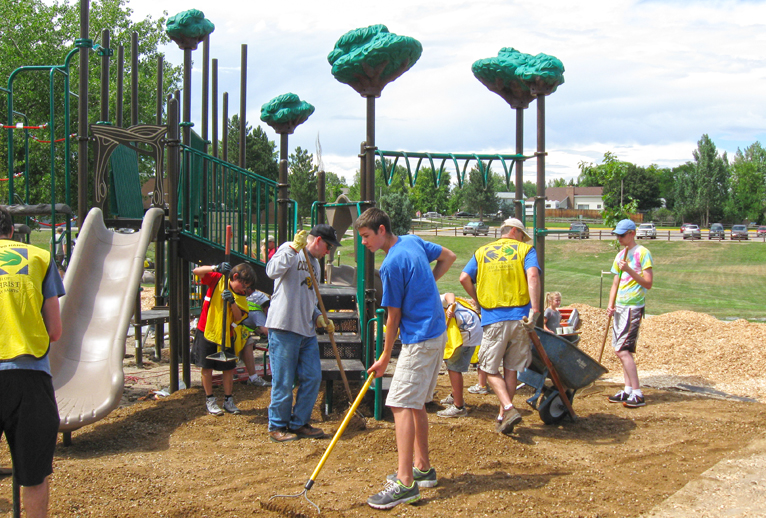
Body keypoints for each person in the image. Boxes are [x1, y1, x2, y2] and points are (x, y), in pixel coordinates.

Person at [356, 207, 456, 510]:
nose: (363, 243)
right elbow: (449, 257)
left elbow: (393, 316)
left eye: (366, 236)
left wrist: (385, 355)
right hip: (436, 332)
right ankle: (422, 469)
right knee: (414, 405)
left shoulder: (390, 264)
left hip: (420, 338)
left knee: (399, 402)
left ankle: (405, 484)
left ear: (382, 230)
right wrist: (426, 287)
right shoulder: (412, 241)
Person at [0, 206, 65, 518]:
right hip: (30, 374)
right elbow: (54, 331)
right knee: (33, 473)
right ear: (12, 231)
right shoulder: (39, 258)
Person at [459, 217, 541, 436]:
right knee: (511, 369)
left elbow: (464, 277)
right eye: (522, 234)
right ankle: (502, 417)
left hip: (493, 317)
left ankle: (508, 408)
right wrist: (534, 309)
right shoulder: (526, 250)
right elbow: (532, 275)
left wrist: (477, 299)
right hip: (520, 318)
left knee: (487, 367)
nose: (523, 239)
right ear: (515, 231)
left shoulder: (482, 251)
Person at [265, 224, 340, 443]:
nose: (328, 251)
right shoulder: (289, 250)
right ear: (317, 240)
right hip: (284, 327)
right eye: (327, 246)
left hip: (306, 330)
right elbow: (271, 271)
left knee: (313, 376)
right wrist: (293, 249)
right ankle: (277, 426)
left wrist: (318, 316)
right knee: (284, 380)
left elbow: (311, 296)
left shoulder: (315, 264)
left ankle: (299, 423)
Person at [192, 262, 257, 416]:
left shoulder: (240, 295)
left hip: (227, 335)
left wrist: (232, 302)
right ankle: (210, 399)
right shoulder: (217, 279)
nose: (244, 289)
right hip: (206, 329)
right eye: (243, 285)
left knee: (228, 368)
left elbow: (238, 316)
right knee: (206, 367)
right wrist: (215, 268)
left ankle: (228, 400)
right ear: (235, 277)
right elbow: (196, 271)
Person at [606, 219, 653, 408]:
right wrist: (610, 304)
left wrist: (629, 270)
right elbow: (615, 283)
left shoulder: (643, 253)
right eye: (617, 235)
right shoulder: (619, 255)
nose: (619, 238)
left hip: (633, 306)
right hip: (620, 306)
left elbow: (648, 283)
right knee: (621, 350)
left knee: (622, 350)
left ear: (632, 233)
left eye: (622, 235)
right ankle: (627, 390)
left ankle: (638, 393)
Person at [437, 292, 482, 418]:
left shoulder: (433, 299)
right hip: (469, 330)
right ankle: (455, 395)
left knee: (453, 367)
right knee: (450, 361)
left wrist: (451, 306)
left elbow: (449, 294)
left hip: (467, 332)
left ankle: (458, 407)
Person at [237, 290, 271, 387]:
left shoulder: (252, 307)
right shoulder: (258, 313)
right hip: (235, 330)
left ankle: (252, 377)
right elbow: (267, 332)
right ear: (266, 308)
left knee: (248, 342)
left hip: (238, 328)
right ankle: (253, 378)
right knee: (248, 343)